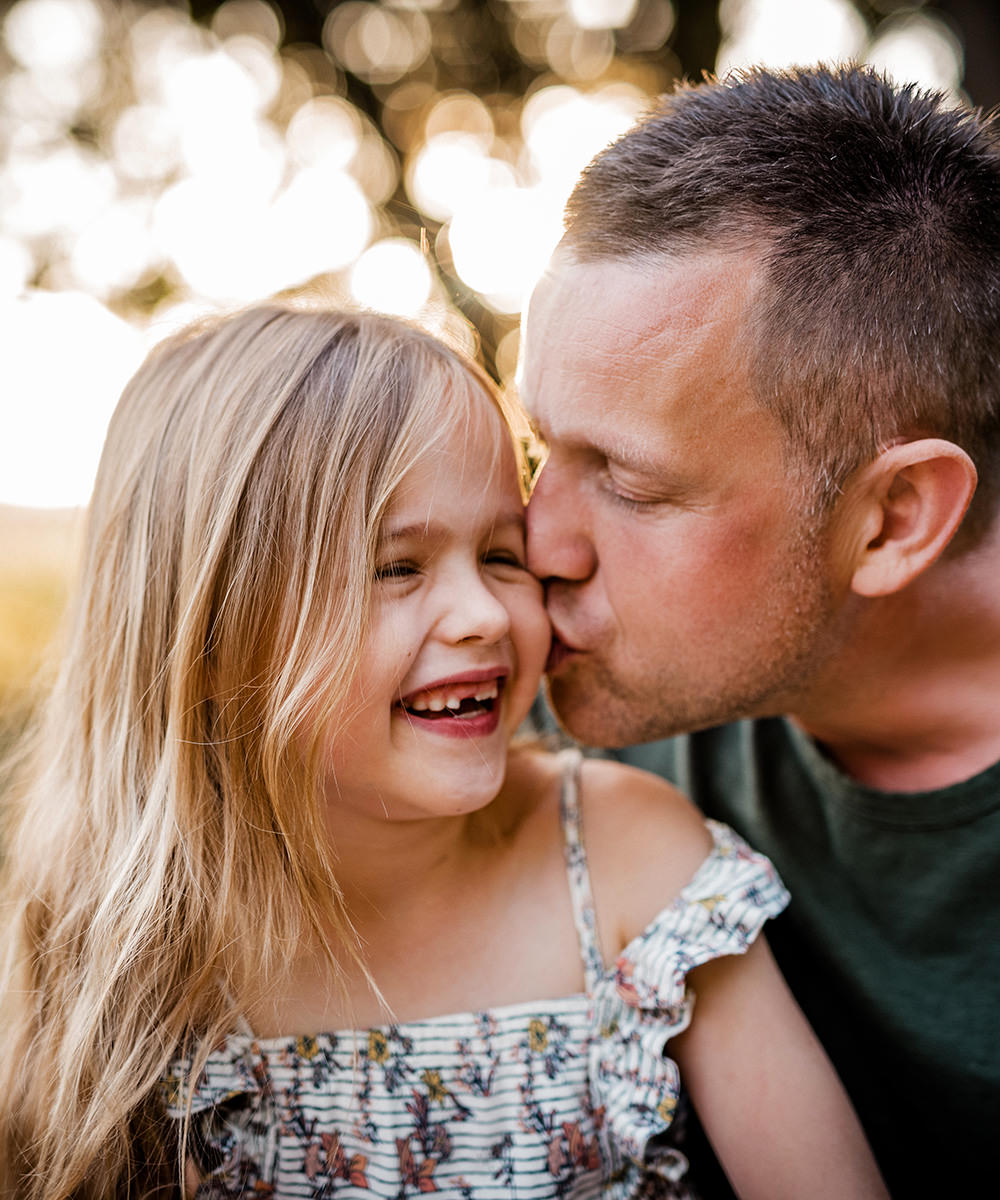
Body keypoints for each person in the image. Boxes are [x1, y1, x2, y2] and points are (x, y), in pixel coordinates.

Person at [0, 303, 887, 1199]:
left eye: (503, 554)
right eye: (397, 567)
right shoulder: (124, 959)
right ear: (213, 637)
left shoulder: (626, 862)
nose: (485, 613)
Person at [518, 64, 1000, 1197]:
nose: (537, 544)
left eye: (628, 483)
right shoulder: (552, 729)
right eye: (541, 449)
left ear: (892, 519)